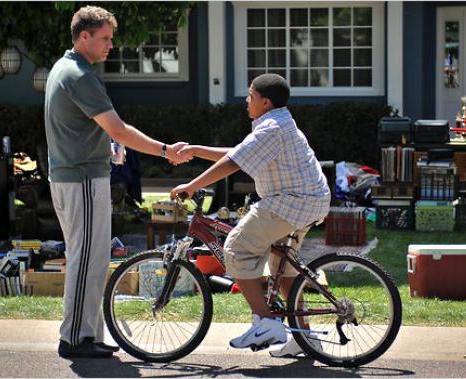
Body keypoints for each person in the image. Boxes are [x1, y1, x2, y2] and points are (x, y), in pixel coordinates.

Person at [45, 5, 192, 359]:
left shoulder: (64, 68)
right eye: (105, 38)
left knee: (93, 258)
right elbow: (119, 128)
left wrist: (110, 145)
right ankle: (75, 339)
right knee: (86, 260)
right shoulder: (80, 74)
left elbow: (89, 127)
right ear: (84, 36)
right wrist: (164, 150)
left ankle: (89, 335)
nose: (111, 45)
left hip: (75, 175)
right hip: (81, 178)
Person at [170, 73, 331, 357]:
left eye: (251, 96)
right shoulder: (278, 122)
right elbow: (240, 153)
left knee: (235, 247)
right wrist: (196, 150)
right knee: (284, 271)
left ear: (265, 102)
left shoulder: (271, 128)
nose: (247, 100)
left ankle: (266, 322)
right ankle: (306, 338)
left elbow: (233, 163)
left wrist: (191, 186)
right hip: (307, 201)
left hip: (292, 203)